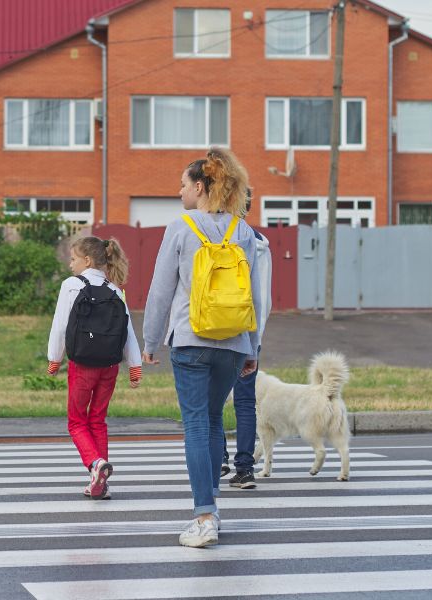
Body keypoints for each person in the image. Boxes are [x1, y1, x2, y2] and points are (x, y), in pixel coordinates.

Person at [142, 148, 264, 547]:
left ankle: (204, 515)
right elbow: (255, 296)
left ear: (199, 186)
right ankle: (212, 508)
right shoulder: (242, 230)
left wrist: (149, 340)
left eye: (182, 185)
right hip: (232, 343)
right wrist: (253, 347)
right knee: (213, 420)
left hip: (191, 340)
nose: (179, 193)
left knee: (195, 423)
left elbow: (161, 290)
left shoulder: (180, 227)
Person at [47, 236, 142, 500]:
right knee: (97, 420)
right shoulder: (114, 289)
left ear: (87, 260)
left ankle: (95, 465)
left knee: (77, 421)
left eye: (73, 259)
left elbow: (60, 326)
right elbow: (128, 331)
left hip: (82, 365)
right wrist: (135, 366)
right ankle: (100, 483)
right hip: (109, 366)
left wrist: (54, 359)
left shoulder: (71, 286)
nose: (70, 264)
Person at [222, 200, 273, 490]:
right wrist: (256, 340)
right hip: (248, 333)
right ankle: (244, 468)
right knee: (244, 402)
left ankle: (220, 459)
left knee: (211, 401)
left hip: (216, 331)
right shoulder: (260, 244)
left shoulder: (215, 236)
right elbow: (263, 300)